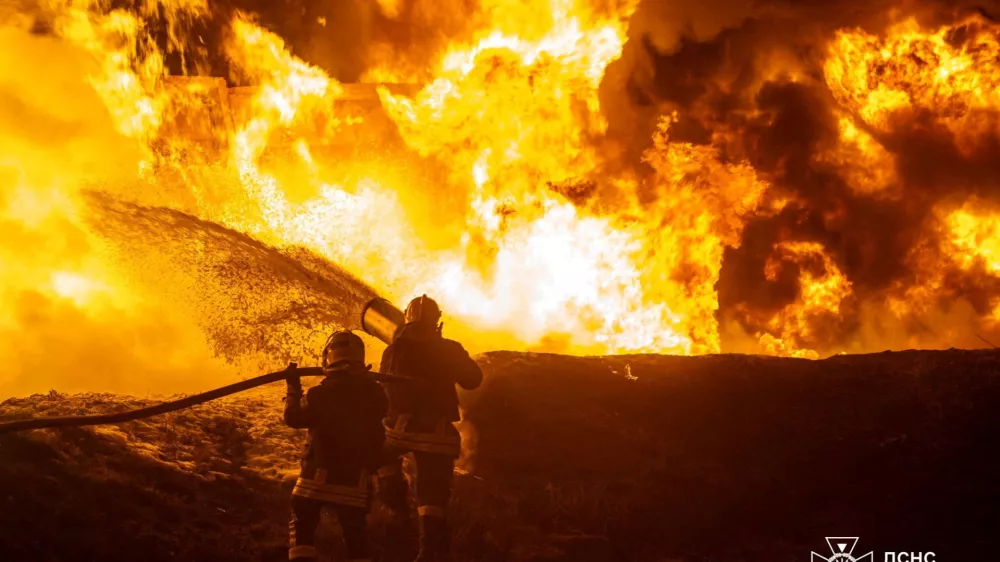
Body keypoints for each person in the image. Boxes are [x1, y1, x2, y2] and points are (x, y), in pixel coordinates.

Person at [377, 295, 483, 562]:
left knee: (381, 457)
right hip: (436, 435)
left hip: (397, 432)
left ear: (407, 318)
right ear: (437, 321)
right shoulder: (449, 348)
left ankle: (396, 514)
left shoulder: (393, 350)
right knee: (432, 496)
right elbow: (473, 380)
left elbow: (384, 391)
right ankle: (429, 551)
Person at [285, 330, 388, 562]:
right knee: (356, 536)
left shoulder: (319, 394)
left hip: (317, 477)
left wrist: (293, 387)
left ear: (328, 358)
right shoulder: (376, 393)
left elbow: (293, 418)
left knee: (302, 517)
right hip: (356, 480)